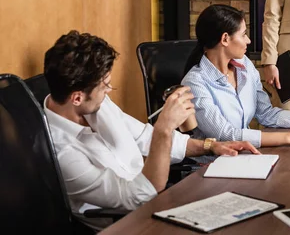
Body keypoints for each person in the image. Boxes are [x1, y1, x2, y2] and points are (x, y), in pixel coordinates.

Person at [43, 30, 258, 231]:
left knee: (245, 208)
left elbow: (144, 137)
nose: (109, 91)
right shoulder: (61, 152)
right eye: (105, 86)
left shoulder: (97, 105)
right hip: (131, 223)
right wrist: (164, 128)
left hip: (160, 202)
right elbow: (137, 196)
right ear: (77, 97)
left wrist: (211, 145)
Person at [182, 4, 290, 148]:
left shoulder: (245, 65)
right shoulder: (195, 83)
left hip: (244, 157)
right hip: (211, 166)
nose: (248, 41)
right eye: (243, 34)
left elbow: (266, 113)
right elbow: (225, 135)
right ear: (225, 39)